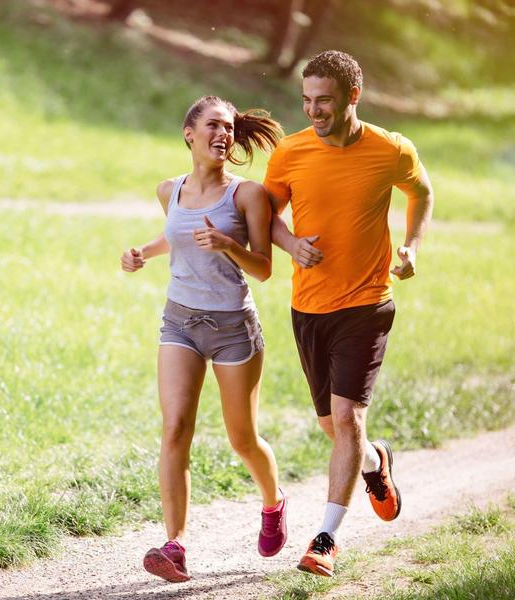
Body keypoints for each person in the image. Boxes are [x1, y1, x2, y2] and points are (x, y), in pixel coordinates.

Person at [263, 50, 435, 577]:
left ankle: (326, 539)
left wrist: (411, 248)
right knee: (331, 426)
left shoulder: (389, 148)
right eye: (307, 101)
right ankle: (374, 463)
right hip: (308, 306)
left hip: (366, 303)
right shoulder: (290, 153)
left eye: (325, 101)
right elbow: (265, 216)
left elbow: (421, 193)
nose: (314, 111)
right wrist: (291, 243)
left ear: (352, 96)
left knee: (346, 417)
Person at [121, 95, 287, 583]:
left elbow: (264, 268)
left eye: (231, 128)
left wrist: (230, 245)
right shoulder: (168, 190)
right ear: (189, 133)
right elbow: (178, 234)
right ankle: (175, 545)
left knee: (242, 439)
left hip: (234, 328)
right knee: (174, 429)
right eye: (214, 124)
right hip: (180, 322)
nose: (224, 134)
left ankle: (274, 502)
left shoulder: (247, 195)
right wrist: (142, 253)